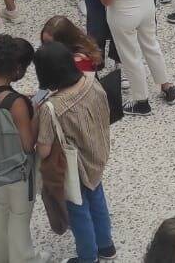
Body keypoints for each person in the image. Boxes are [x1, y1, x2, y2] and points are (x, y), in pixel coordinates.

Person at [34, 41, 118, 263]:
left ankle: (88, 257)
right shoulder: (91, 80)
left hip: (75, 167)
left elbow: (43, 150)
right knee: (98, 199)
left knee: (78, 211)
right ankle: (106, 246)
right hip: (98, 153)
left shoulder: (52, 107)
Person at [0, 35, 43, 263]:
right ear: (17, 69)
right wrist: (36, 111)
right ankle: (24, 258)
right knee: (20, 214)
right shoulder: (16, 102)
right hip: (18, 169)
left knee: (1, 208)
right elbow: (27, 143)